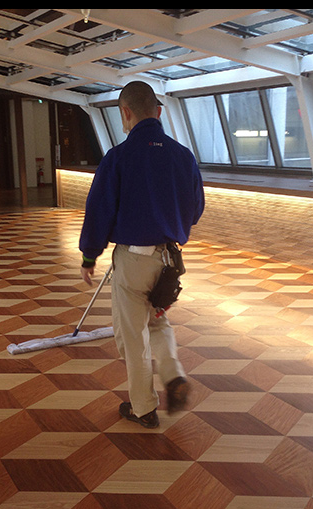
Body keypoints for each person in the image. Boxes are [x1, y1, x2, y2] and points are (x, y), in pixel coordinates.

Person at [79, 81, 205, 429]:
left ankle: (143, 407)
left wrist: (89, 256)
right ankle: (173, 375)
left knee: (132, 335)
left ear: (125, 112)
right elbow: (195, 209)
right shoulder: (183, 155)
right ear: (159, 112)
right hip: (169, 261)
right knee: (157, 321)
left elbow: (99, 212)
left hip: (133, 261)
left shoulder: (118, 157)